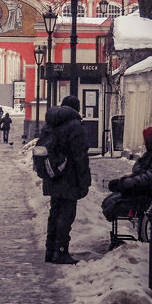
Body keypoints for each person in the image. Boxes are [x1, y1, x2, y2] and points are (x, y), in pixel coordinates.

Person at [42, 95, 91, 264]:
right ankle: (61, 251)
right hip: (69, 177)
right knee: (66, 214)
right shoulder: (75, 126)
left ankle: (50, 251)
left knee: (54, 213)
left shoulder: (51, 123)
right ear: (76, 108)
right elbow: (80, 156)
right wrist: (84, 181)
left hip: (53, 175)